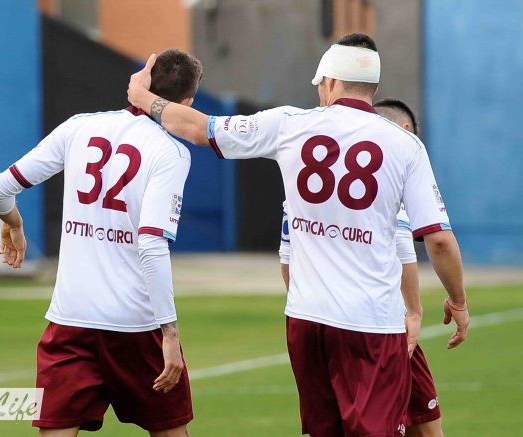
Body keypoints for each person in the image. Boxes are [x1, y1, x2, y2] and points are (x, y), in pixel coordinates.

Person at [127, 34, 470, 436]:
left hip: (306, 319)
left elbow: (198, 127)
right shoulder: (406, 145)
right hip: (370, 322)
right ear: (372, 89)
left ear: (331, 81)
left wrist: (143, 97)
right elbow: (439, 240)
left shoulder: (289, 123)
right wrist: (458, 301)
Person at [0, 49, 201, 437]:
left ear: (141, 84)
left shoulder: (79, 127)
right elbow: (151, 244)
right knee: (171, 430)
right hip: (136, 324)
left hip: (71, 320)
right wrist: (170, 332)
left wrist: (13, 223)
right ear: (186, 104)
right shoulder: (171, 152)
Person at [280, 97, 444, 437]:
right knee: (421, 428)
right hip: (379, 324)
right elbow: (408, 246)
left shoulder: (301, 190)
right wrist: (415, 310)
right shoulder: (387, 179)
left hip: (314, 319)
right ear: (404, 131)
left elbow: (287, 258)